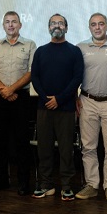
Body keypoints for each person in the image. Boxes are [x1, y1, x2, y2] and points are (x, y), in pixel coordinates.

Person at [31, 14, 84, 200]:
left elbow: (77, 78)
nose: (57, 26)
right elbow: (35, 77)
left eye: (60, 23)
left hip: (66, 107)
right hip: (43, 106)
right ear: (48, 28)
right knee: (43, 147)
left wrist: (59, 99)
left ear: (66, 28)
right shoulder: (40, 51)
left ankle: (67, 185)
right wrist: (47, 98)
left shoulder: (74, 51)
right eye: (53, 23)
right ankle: (46, 184)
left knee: (66, 148)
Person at [0, 11, 37, 195]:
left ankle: (23, 182)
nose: (11, 25)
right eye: (7, 22)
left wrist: (12, 89)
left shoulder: (30, 44)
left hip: (21, 98)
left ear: (20, 25)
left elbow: (31, 72)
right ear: (3, 25)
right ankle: (1, 179)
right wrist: (3, 90)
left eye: (14, 22)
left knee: (22, 142)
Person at [75, 13, 107, 202]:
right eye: (93, 25)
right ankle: (92, 185)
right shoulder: (80, 48)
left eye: (101, 24)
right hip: (87, 101)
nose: (97, 27)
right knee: (88, 147)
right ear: (89, 28)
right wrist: (74, 96)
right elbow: (74, 75)